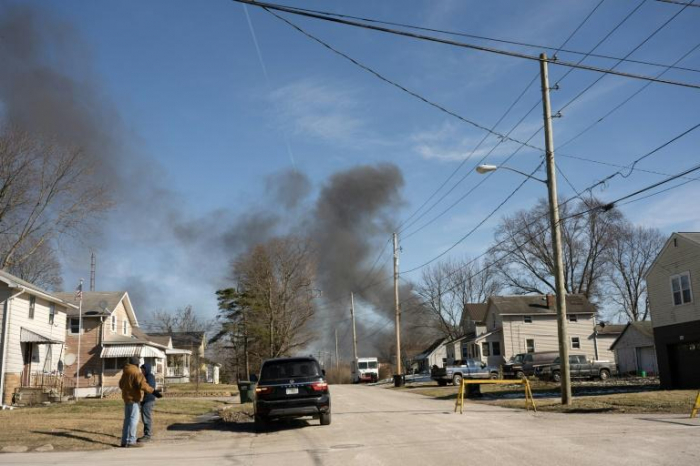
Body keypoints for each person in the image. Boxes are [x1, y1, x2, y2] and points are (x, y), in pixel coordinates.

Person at [119, 356, 159, 447]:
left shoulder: (125, 371)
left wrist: (128, 389)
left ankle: (124, 441)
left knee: (127, 420)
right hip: (134, 399)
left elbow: (121, 385)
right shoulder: (136, 372)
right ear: (137, 364)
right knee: (134, 420)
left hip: (126, 399)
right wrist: (153, 391)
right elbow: (143, 385)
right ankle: (131, 441)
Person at [139, 363, 157, 442]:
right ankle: (146, 434)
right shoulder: (147, 376)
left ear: (146, 369)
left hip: (149, 400)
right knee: (144, 417)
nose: (142, 371)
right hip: (146, 400)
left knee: (146, 418)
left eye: (143, 369)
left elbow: (149, 388)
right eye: (141, 370)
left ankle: (147, 435)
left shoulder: (150, 377)